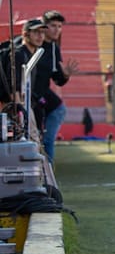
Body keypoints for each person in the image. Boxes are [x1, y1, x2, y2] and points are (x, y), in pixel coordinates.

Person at [40, 10, 79, 164]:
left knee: (47, 141)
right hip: (33, 100)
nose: (57, 29)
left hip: (49, 105)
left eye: (59, 26)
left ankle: (48, 178)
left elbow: (58, 80)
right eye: (53, 25)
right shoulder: (32, 45)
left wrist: (66, 75)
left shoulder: (54, 49)